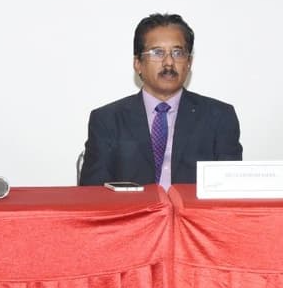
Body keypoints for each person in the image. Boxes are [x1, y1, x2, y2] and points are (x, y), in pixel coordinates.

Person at [79, 13, 242, 187]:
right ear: (138, 63)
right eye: (157, 53)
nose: (169, 63)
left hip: (192, 214)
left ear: (189, 63)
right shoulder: (107, 120)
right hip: (134, 213)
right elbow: (93, 194)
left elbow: (229, 193)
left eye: (178, 53)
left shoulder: (219, 117)